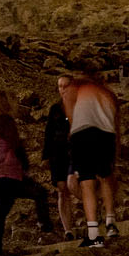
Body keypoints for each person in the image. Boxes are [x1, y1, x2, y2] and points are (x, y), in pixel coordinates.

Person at [0, 92, 52, 256]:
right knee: (39, 192)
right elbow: (15, 146)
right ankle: (45, 228)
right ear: (8, 104)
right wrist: (25, 165)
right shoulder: (7, 122)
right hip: (8, 174)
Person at [64, 72, 121, 248]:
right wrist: (116, 152)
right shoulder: (109, 93)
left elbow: (71, 115)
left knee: (87, 183)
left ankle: (93, 234)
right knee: (105, 176)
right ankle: (110, 221)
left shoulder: (75, 88)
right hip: (106, 135)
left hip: (83, 134)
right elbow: (117, 125)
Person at [43, 78, 80, 241]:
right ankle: (68, 230)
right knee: (61, 190)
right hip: (58, 154)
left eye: (65, 86)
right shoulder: (55, 109)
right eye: (59, 87)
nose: (62, 90)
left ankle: (93, 214)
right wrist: (46, 156)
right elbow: (48, 133)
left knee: (76, 184)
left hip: (76, 152)